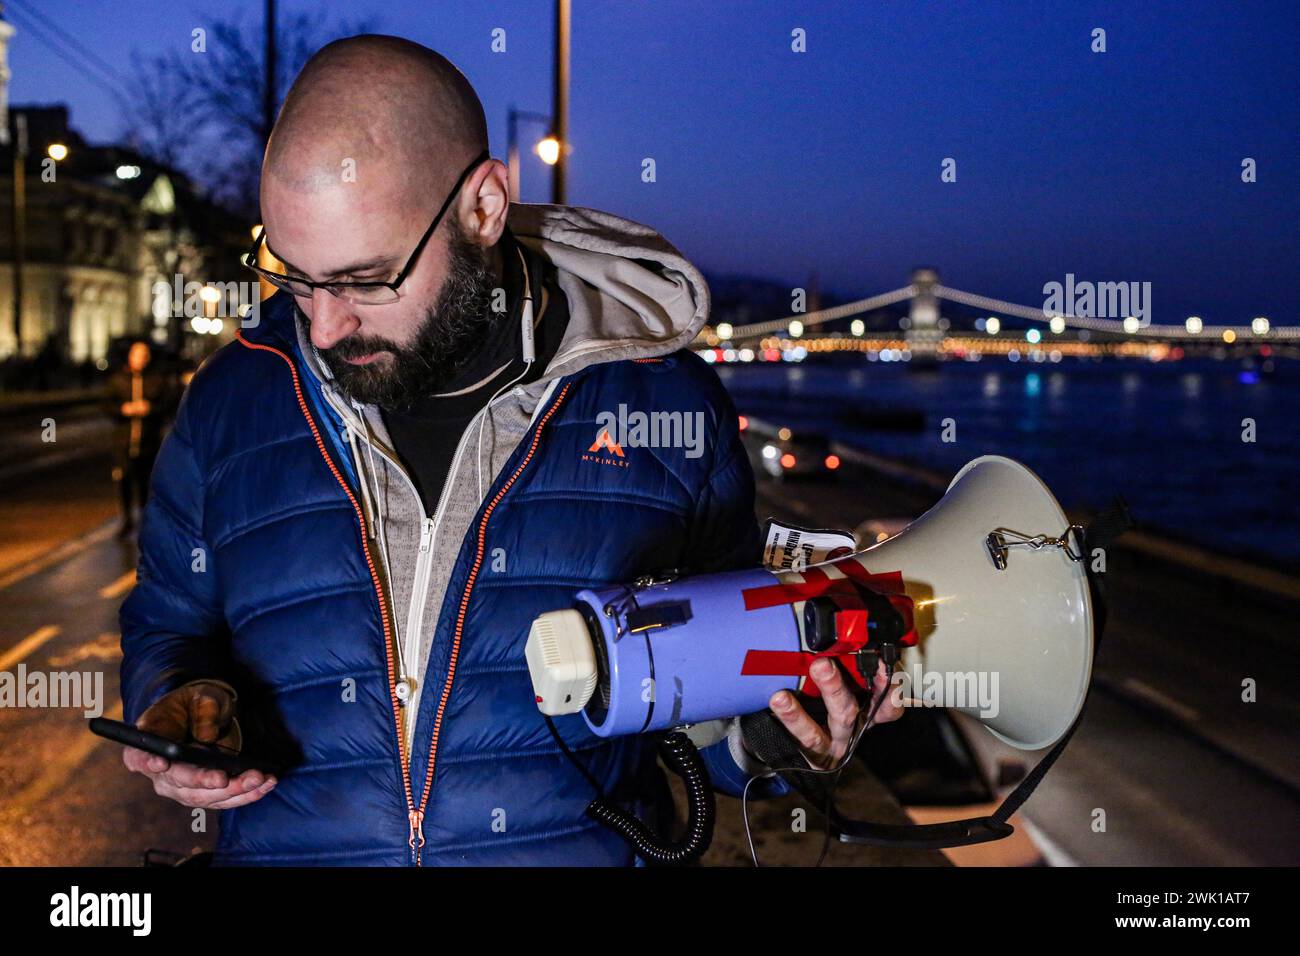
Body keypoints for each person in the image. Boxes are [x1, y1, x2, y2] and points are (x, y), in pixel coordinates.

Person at [118, 34, 900, 866]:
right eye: (294, 276)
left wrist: (786, 737)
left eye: (364, 279)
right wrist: (179, 701)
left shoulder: (662, 405)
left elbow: (716, 707)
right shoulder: (230, 401)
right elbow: (169, 622)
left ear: (483, 206)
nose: (323, 326)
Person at [103, 340, 177, 536]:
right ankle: (127, 519)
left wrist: (150, 409)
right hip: (124, 442)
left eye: (143, 355)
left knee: (146, 483)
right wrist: (123, 410)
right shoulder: (118, 380)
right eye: (137, 355)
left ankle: (146, 520)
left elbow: (169, 404)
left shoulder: (156, 380)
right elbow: (106, 404)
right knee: (124, 481)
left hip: (149, 441)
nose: (140, 359)